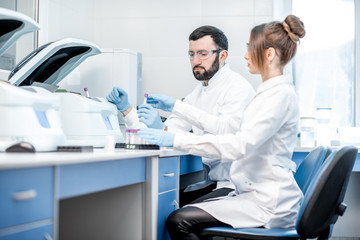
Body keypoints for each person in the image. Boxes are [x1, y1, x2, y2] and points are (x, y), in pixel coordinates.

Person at [138, 15, 306, 239]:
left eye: (250, 49)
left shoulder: (278, 96)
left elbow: (237, 144)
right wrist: (176, 107)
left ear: (269, 54)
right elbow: (221, 125)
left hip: (267, 203)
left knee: (178, 221)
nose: (245, 55)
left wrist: (175, 139)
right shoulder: (270, 92)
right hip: (253, 193)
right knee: (179, 213)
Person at [107, 25, 255, 205]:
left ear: (223, 56)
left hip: (237, 186)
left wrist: (174, 113)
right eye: (191, 54)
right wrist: (128, 111)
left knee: (173, 213)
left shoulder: (237, 88)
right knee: (156, 202)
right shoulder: (198, 92)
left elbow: (224, 136)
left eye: (203, 54)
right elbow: (161, 133)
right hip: (214, 181)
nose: (196, 61)